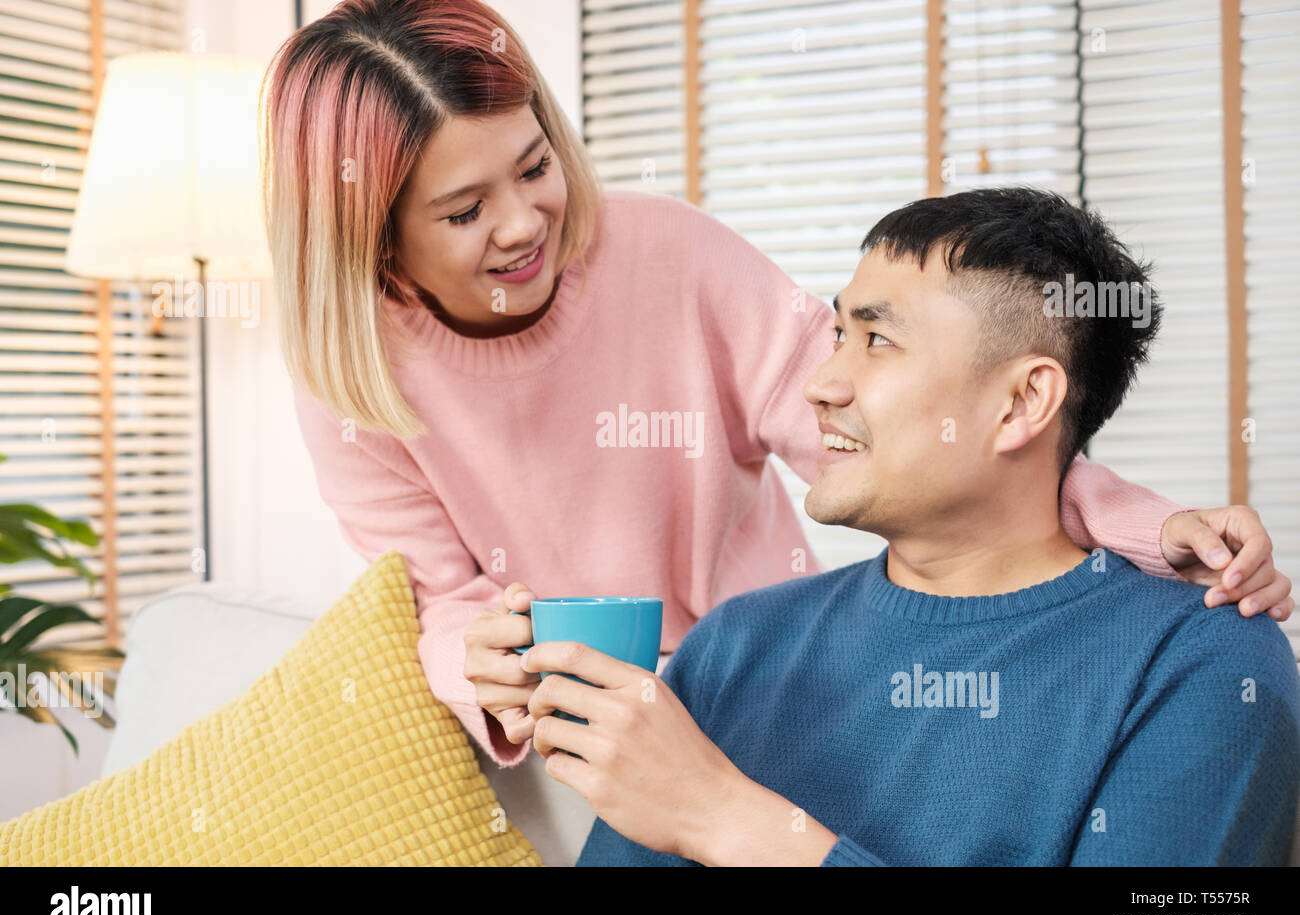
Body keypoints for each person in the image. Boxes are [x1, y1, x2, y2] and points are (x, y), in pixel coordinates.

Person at [266, 0, 1293, 806]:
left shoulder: (661, 251)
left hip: (767, 689)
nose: (524, 220)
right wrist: (470, 662)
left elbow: (915, 433)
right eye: (463, 209)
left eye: (533, 166)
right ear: (373, 236)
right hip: (591, 729)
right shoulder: (352, 378)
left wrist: (1149, 523)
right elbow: (439, 601)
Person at [525, 188, 1300, 866]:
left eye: (878, 340)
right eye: (836, 336)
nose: (821, 385)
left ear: (1022, 404)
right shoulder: (734, 647)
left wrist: (729, 820)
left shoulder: (1202, 667)